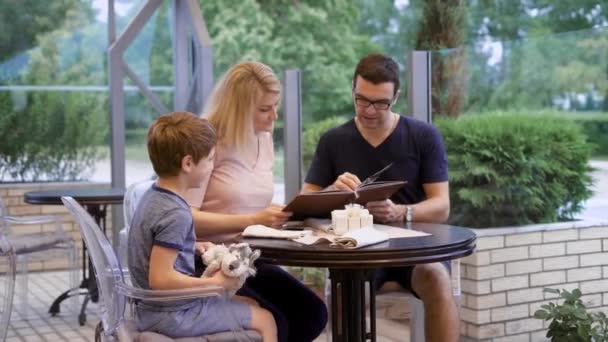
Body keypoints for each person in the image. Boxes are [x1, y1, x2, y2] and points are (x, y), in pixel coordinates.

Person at [302, 53, 458, 342]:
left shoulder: (423, 136)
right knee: (343, 289)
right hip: (356, 252)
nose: (369, 110)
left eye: (380, 103)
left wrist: (400, 212)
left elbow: (442, 206)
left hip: (416, 251)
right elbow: (304, 202)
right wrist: (332, 191)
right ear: (352, 90)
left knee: (437, 277)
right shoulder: (333, 140)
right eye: (361, 100)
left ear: (396, 97)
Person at [185, 61, 328, 342]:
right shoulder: (206, 142)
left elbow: (253, 205)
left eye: (276, 106)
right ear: (238, 109)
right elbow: (183, 215)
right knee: (278, 321)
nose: (274, 116)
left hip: (247, 258)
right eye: (264, 109)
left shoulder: (264, 139)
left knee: (312, 313)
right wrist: (251, 220)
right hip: (206, 260)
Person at [128, 112, 277, 341]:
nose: (211, 167)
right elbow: (160, 278)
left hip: (152, 310)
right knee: (266, 319)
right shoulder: (176, 213)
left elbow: (155, 246)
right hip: (173, 315)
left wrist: (193, 245)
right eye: (209, 159)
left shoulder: (153, 197)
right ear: (188, 163)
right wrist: (213, 284)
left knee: (250, 303)